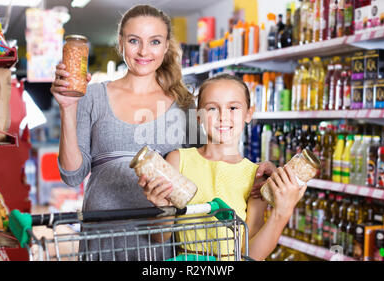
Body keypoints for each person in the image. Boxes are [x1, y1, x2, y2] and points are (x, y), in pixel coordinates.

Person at [51, 4, 274, 261]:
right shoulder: (92, 96)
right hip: (103, 238)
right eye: (134, 40)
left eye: (154, 41)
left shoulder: (184, 104)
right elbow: (72, 175)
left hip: (162, 244)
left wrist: (255, 171)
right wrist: (68, 108)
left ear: (166, 46)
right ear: (121, 42)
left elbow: (212, 163)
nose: (144, 51)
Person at [139, 74, 306, 261]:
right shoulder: (178, 160)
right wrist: (162, 207)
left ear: (249, 113)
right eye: (212, 108)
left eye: (233, 107)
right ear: (198, 116)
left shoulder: (256, 176)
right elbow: (159, 236)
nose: (223, 117)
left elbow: (252, 254)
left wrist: (283, 212)